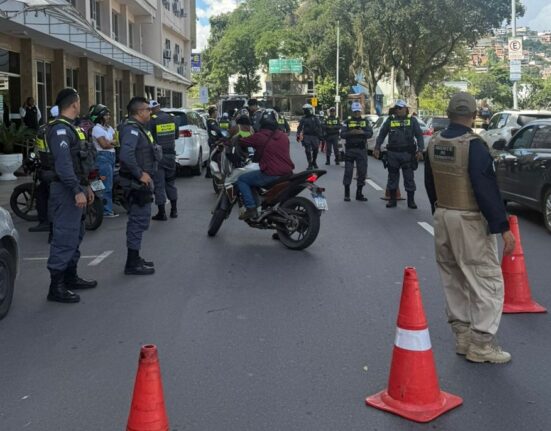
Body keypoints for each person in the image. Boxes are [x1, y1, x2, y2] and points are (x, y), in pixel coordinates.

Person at [425, 92, 516, 364]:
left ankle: (462, 338)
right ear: (474, 115)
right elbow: (485, 188)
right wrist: (503, 227)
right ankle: (481, 344)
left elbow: (430, 184)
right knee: (486, 280)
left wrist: (440, 212)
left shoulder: (435, 143)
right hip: (469, 221)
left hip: (443, 215)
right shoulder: (474, 146)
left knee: (453, 279)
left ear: (448, 114)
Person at [45, 88, 97, 303]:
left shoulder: (72, 128)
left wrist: (87, 187)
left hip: (77, 187)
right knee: (65, 236)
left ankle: (70, 277)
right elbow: (64, 165)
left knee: (76, 234)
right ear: (74, 104)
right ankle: (56, 287)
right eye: (79, 101)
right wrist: (76, 190)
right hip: (66, 190)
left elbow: (79, 163)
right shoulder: (59, 129)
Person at [119, 96, 162, 275]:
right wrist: (139, 174)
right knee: (137, 222)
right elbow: (126, 154)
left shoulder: (139, 129)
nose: (150, 112)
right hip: (135, 183)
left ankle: (135, 258)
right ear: (139, 112)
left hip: (140, 182)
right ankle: (132, 263)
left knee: (140, 220)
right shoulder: (132, 130)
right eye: (147, 109)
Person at [237, 109, 295, 220]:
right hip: (287, 173)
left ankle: (251, 208)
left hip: (271, 173)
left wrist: (234, 139)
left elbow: (243, 142)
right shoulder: (283, 136)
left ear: (261, 122)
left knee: (242, 180)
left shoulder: (259, 136)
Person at [374, 99, 424, 209]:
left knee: (409, 178)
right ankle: (392, 200)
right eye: (396, 108)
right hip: (393, 154)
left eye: (400, 108)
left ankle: (411, 201)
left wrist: (420, 150)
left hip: (407, 154)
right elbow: (382, 134)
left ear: (406, 109)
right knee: (392, 177)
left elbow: (419, 136)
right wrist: (377, 147)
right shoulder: (390, 120)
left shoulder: (412, 120)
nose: (398, 110)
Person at [30, 106, 59, 233]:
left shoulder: (44, 129)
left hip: (49, 168)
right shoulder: (71, 127)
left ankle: (45, 222)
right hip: (66, 167)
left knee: (42, 194)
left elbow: (39, 150)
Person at [148, 100, 178, 220]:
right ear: (159, 107)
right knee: (171, 183)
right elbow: (176, 135)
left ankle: (162, 213)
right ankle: (174, 211)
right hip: (171, 156)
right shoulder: (171, 118)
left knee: (159, 185)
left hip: (159, 157)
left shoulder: (152, 120)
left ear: (151, 110)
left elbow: (149, 138)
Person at [340, 102, 373, 202]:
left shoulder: (365, 122)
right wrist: (351, 133)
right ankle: (347, 193)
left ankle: (359, 193)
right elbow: (342, 134)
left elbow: (370, 133)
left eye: (358, 111)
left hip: (361, 150)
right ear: (352, 112)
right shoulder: (347, 122)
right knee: (348, 171)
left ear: (361, 111)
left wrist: (362, 132)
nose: (357, 113)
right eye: (355, 111)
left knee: (362, 172)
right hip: (350, 150)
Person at [90, 104, 118, 218]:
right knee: (105, 185)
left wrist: (110, 142)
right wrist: (112, 142)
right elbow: (104, 145)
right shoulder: (96, 129)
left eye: (108, 115)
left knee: (105, 183)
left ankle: (101, 208)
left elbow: (116, 141)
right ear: (100, 116)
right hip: (102, 157)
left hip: (111, 157)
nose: (108, 117)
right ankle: (106, 210)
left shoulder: (109, 128)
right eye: (106, 115)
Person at [297, 103, 323, 170]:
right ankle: (310, 164)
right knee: (307, 150)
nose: (304, 111)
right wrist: (298, 135)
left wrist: (321, 136)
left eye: (305, 110)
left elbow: (319, 127)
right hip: (306, 136)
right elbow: (299, 127)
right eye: (304, 110)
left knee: (315, 150)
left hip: (315, 136)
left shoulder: (315, 118)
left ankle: (314, 161)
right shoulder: (303, 119)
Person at [205, 105, 222, 178]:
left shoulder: (213, 120)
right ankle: (208, 172)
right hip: (213, 141)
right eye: (216, 111)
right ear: (213, 113)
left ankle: (209, 171)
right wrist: (222, 132)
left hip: (215, 140)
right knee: (212, 156)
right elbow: (217, 130)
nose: (217, 113)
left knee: (213, 155)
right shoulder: (211, 121)